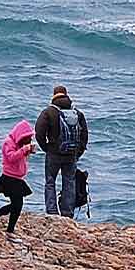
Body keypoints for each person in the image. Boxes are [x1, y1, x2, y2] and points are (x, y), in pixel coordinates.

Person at [35, 85, 89, 217]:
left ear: (54, 95)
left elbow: (39, 132)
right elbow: (85, 136)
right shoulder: (77, 113)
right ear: (66, 95)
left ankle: (52, 212)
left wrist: (46, 148)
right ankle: (67, 212)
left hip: (53, 153)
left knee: (50, 181)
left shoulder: (48, 112)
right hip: (71, 154)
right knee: (69, 182)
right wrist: (78, 152)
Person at [0, 121, 37, 235]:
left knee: (17, 205)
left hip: (17, 178)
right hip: (9, 178)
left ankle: (10, 229)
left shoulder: (19, 145)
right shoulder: (8, 143)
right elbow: (11, 157)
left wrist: (27, 152)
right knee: (16, 204)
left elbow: (19, 158)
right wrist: (24, 150)